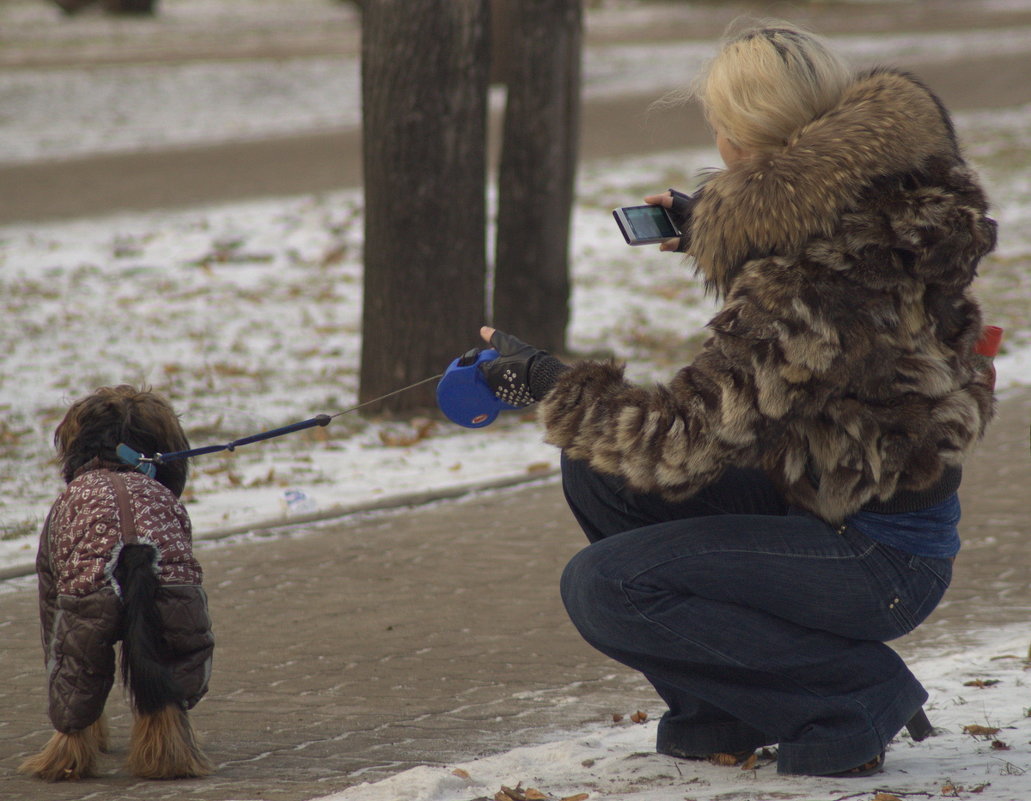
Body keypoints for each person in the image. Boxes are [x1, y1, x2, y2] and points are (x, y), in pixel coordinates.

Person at [473, 20, 997, 778]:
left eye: (716, 123)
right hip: (848, 501)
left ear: (737, 140)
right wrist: (712, 226)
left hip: (876, 560)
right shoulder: (889, 205)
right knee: (596, 473)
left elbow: (678, 440)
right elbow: (829, 255)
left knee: (607, 584)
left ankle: (850, 698)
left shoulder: (804, 287)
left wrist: (553, 384)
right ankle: (725, 706)